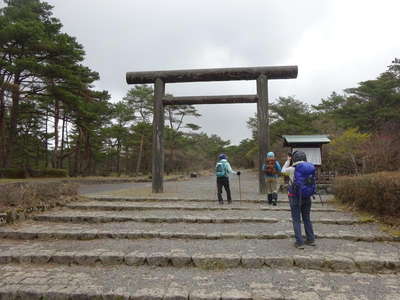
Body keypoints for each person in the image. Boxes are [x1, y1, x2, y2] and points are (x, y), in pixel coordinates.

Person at [281, 150, 316, 249]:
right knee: (307, 218)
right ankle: (311, 239)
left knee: (296, 219)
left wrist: (288, 161)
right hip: (307, 196)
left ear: (294, 158)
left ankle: (299, 242)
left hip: (294, 196)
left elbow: (282, 170)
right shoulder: (310, 167)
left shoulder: (292, 169)